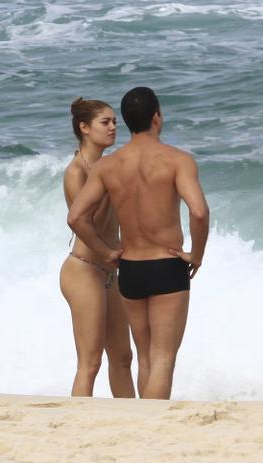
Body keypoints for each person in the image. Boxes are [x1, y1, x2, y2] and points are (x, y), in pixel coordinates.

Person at [68, 87, 209, 400]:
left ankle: (141, 421)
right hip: (167, 265)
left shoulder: (107, 167)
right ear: (157, 117)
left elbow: (76, 217)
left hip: (130, 269)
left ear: (128, 123)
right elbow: (198, 212)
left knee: (144, 357)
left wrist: (107, 253)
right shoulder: (178, 160)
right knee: (162, 359)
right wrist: (195, 256)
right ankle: (152, 426)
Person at [59, 97, 135, 398]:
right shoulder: (76, 172)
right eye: (106, 122)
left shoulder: (107, 166)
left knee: (123, 357)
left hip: (110, 271)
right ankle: (77, 424)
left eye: (115, 121)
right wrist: (107, 253)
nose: (114, 127)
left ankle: (132, 417)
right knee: (90, 363)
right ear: (84, 127)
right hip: (84, 270)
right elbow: (81, 222)